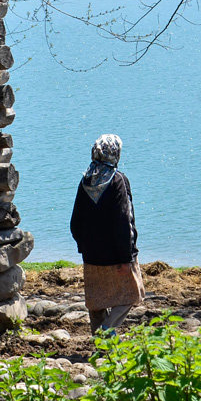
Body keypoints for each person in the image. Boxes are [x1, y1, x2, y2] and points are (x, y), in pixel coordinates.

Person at [70, 134, 145, 335]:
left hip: (92, 256)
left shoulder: (86, 180)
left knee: (97, 303)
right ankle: (108, 329)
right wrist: (126, 257)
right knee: (133, 294)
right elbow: (124, 221)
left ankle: (101, 343)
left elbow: (76, 221)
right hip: (116, 256)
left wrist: (84, 247)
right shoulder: (118, 180)